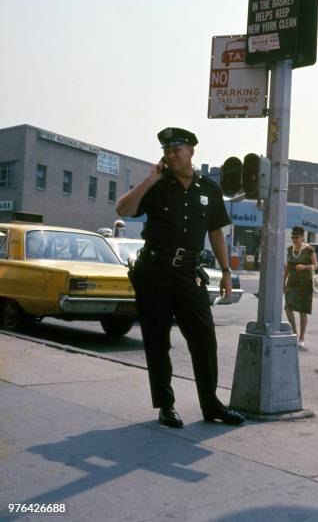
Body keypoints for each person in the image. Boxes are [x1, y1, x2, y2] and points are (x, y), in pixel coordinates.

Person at [116, 127, 245, 428]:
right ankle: (166, 406)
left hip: (188, 273)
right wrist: (150, 179)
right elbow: (123, 208)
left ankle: (212, 406)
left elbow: (216, 232)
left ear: (191, 151)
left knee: (204, 338)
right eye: (166, 151)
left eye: (176, 149)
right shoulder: (158, 185)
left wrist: (227, 272)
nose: (171, 155)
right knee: (157, 340)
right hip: (154, 271)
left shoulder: (209, 190)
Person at [283, 226, 318, 350]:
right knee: (288, 308)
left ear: (302, 237)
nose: (294, 239)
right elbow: (287, 267)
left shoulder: (309, 249)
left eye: (296, 237)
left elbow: (316, 265)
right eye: (292, 237)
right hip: (292, 283)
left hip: (305, 284)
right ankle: (294, 333)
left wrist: (304, 266)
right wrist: (284, 282)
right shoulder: (289, 249)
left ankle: (302, 337)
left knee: (303, 311)